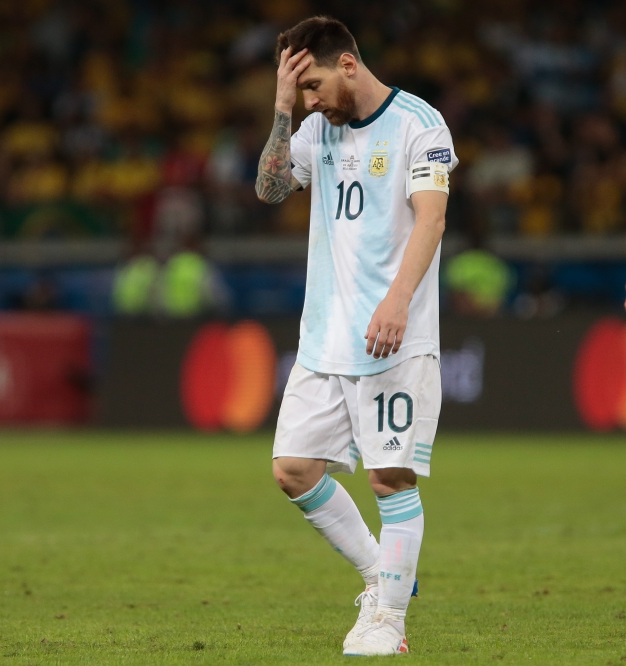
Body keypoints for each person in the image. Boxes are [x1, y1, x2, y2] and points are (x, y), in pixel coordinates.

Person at [255, 17, 456, 657]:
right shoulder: (316, 127)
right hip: (325, 337)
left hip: (394, 336)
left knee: (391, 479)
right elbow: (269, 189)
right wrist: (284, 112)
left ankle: (388, 622)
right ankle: (382, 576)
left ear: (347, 64)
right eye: (300, 91)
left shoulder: (418, 124)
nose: (311, 100)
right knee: (292, 470)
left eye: (312, 85)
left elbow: (434, 217)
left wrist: (397, 302)